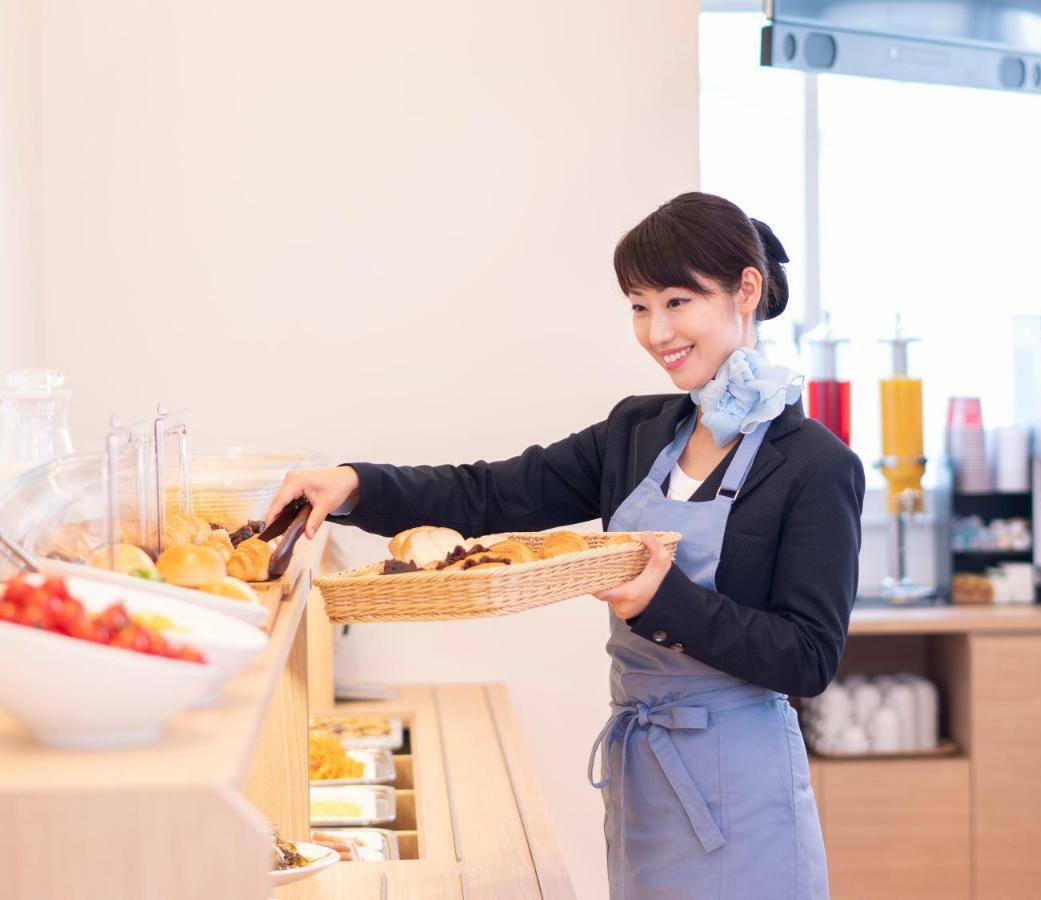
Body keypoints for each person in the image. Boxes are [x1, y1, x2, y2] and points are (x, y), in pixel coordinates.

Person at [266, 191, 865, 899]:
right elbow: (489, 494)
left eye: (678, 301)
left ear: (746, 289)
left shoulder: (815, 466)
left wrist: (663, 602)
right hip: (645, 775)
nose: (655, 330)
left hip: (745, 786)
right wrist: (354, 485)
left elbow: (808, 656)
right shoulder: (639, 432)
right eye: (639, 306)